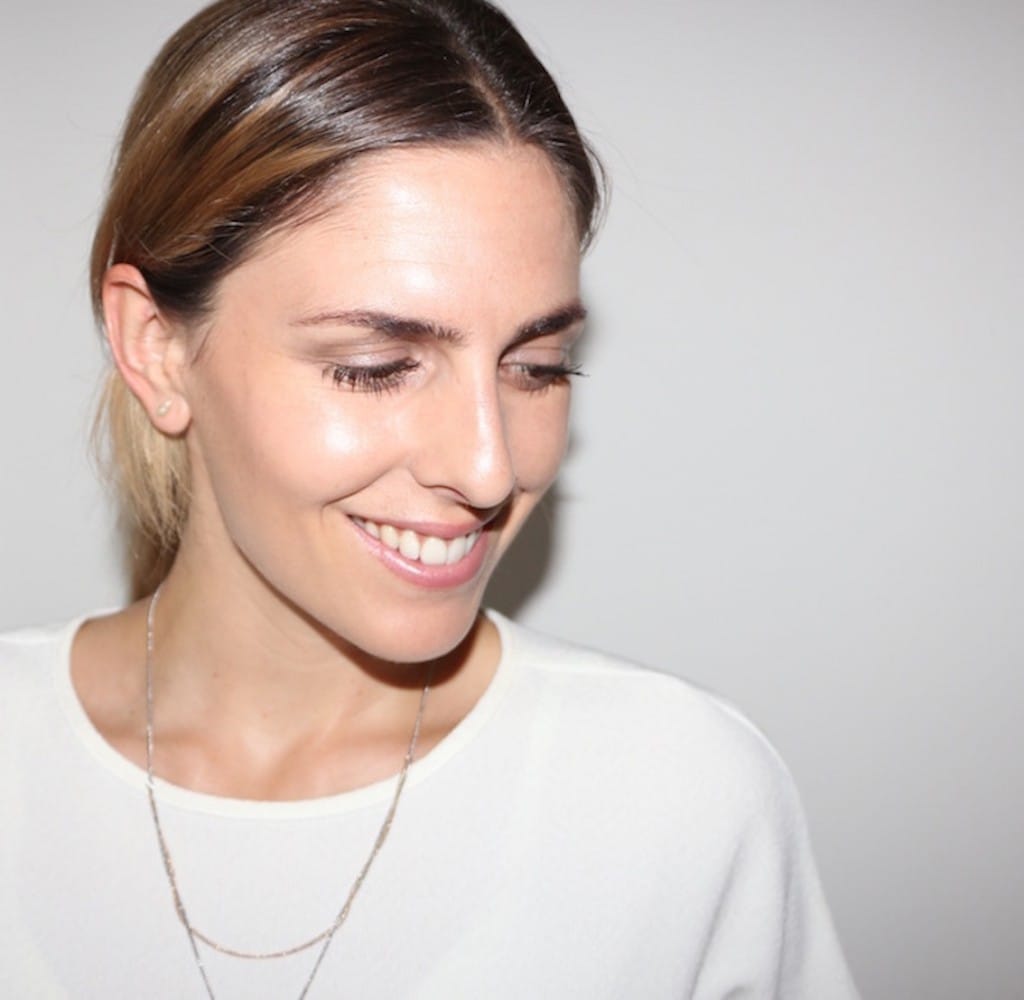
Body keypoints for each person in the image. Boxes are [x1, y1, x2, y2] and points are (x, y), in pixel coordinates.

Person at [0, 1, 859, 997]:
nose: (489, 470)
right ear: (156, 348)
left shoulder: (678, 796)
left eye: (537, 367)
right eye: (376, 367)